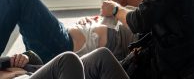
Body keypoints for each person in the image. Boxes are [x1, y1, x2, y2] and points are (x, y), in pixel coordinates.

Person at [0, 0, 137, 63]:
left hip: (62, 49)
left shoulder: (145, 31)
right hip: (64, 35)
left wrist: (115, 10)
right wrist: (97, 21)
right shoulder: (146, 15)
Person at [0, 48, 129, 79]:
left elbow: (37, 61)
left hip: (30, 73)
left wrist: (25, 57)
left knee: (102, 56)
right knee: (67, 60)